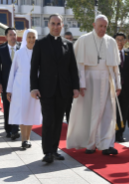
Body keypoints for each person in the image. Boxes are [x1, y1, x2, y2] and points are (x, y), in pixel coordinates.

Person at [66, 14, 121, 156]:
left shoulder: (111, 42)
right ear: (93, 25)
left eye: (105, 27)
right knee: (91, 113)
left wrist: (118, 84)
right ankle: (90, 144)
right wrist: (81, 83)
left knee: (108, 114)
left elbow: (115, 66)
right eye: (100, 26)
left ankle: (106, 144)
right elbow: (79, 65)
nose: (103, 29)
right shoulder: (84, 40)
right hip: (90, 82)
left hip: (108, 81)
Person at [30, 14, 79, 163]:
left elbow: (73, 69)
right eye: (53, 23)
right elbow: (34, 68)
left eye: (58, 24)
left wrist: (75, 87)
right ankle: (47, 152)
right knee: (49, 119)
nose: (56, 26)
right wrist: (34, 87)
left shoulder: (68, 45)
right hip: (46, 89)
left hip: (64, 90)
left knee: (58, 121)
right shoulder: (40, 43)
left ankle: (54, 149)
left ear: (62, 25)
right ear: (48, 25)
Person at [7, 29, 42, 149]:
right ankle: (23, 139)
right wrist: (9, 89)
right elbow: (12, 72)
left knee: (30, 111)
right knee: (22, 111)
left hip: (34, 86)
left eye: (34, 37)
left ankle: (28, 138)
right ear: (25, 38)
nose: (31, 39)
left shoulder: (40, 53)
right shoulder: (19, 53)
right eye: (29, 37)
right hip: (20, 86)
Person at [0, 28, 20, 139]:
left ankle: (15, 129)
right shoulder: (1, 50)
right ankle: (8, 128)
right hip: (6, 83)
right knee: (8, 106)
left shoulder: (22, 48)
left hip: (19, 83)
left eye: (14, 34)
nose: (13, 37)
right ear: (6, 37)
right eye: (10, 35)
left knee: (18, 106)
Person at [114, 32, 129, 142]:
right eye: (118, 39)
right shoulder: (110, 54)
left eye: (122, 39)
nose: (120, 42)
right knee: (114, 111)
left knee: (124, 111)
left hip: (126, 89)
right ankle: (112, 133)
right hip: (113, 89)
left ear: (125, 41)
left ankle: (120, 134)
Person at [63, 31, 74, 123]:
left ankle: (70, 124)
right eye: (66, 38)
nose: (68, 40)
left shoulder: (76, 49)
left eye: (69, 38)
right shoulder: (60, 49)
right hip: (61, 84)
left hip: (71, 84)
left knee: (70, 108)